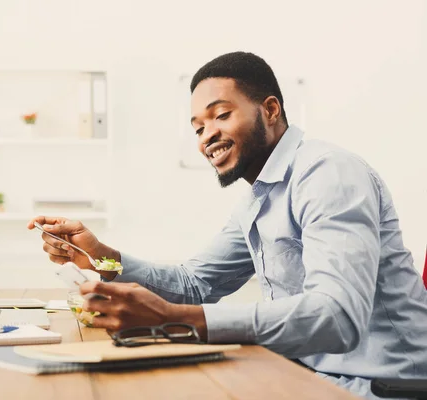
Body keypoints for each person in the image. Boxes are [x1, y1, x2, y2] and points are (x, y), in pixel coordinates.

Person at [28, 51, 427, 399]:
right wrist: (101, 257)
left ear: (270, 110)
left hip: (380, 386)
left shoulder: (328, 174)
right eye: (198, 127)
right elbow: (195, 284)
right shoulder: (258, 199)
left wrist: (180, 321)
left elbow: (337, 316)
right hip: (308, 372)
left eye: (221, 114)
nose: (207, 136)